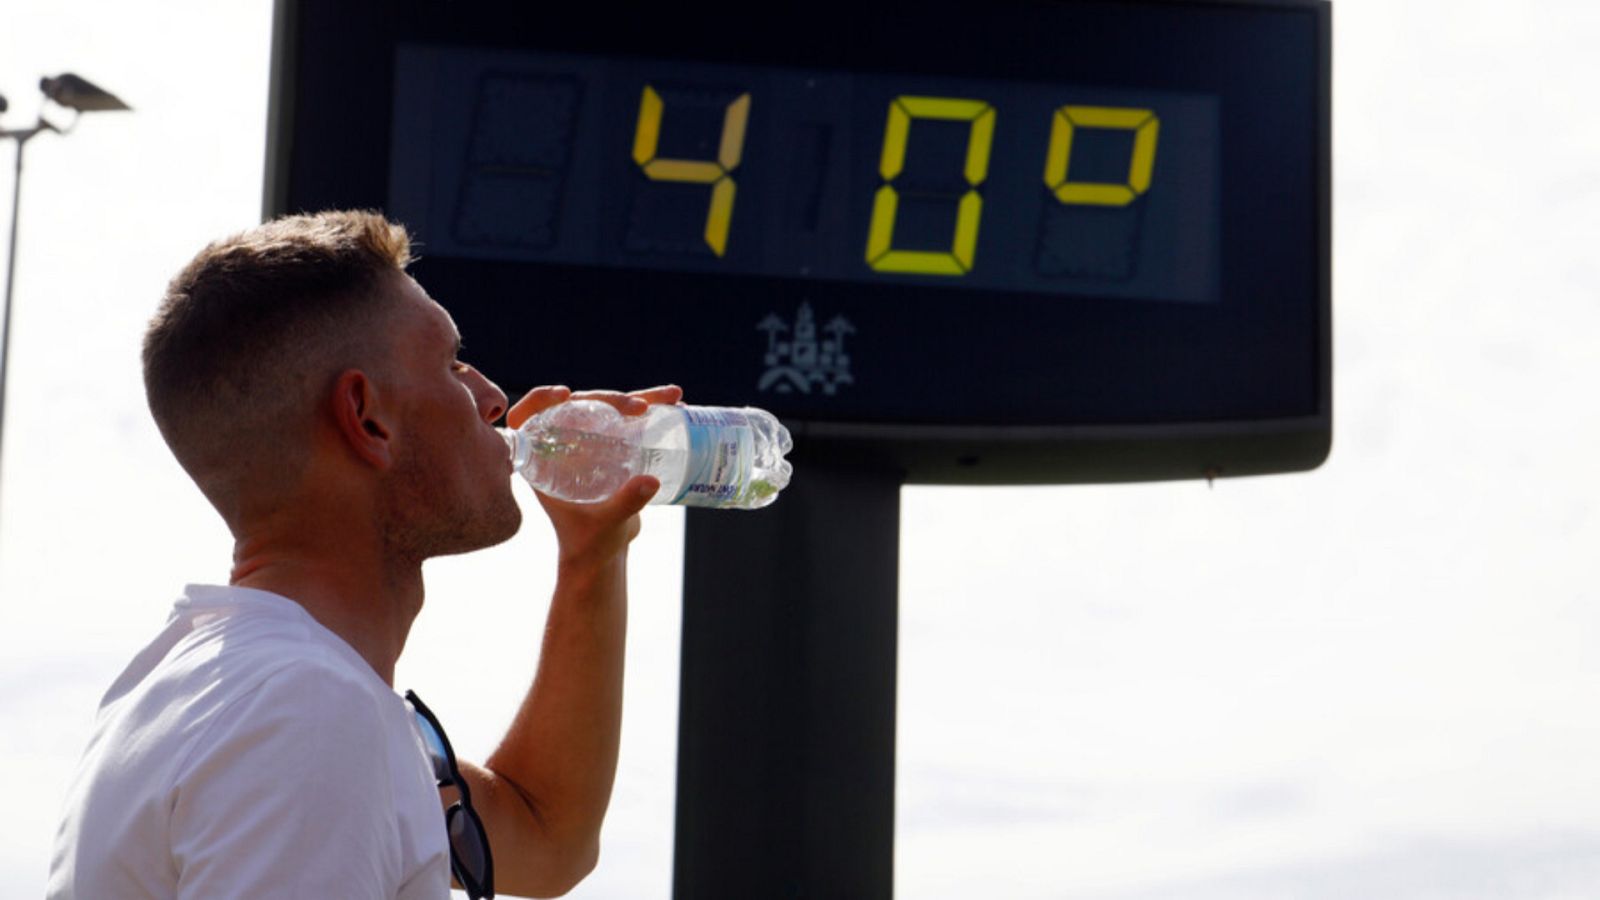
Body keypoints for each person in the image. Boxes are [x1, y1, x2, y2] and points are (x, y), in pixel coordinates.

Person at [45, 209, 678, 899]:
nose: (493, 398)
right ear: (367, 418)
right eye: (450, 363)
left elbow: (547, 837)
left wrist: (592, 559)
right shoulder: (309, 712)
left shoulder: (207, 688)